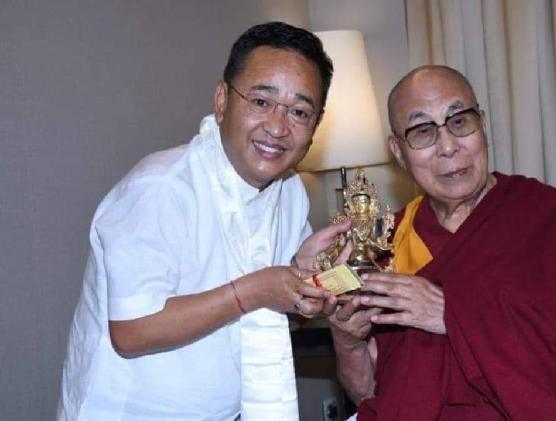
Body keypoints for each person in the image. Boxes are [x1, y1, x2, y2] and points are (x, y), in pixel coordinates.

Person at [329, 65, 556, 420]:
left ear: (483, 125)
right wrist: (348, 342)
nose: (448, 147)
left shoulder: (545, 214)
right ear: (398, 152)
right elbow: (371, 396)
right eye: (422, 131)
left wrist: (453, 313)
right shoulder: (388, 242)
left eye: (459, 122)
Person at [58, 22, 347, 420]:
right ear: (222, 100)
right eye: (261, 102)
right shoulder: (160, 187)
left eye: (299, 112)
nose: (278, 127)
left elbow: (280, 316)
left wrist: (302, 281)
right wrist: (254, 291)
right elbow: (131, 331)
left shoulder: (290, 192)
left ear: (315, 127)